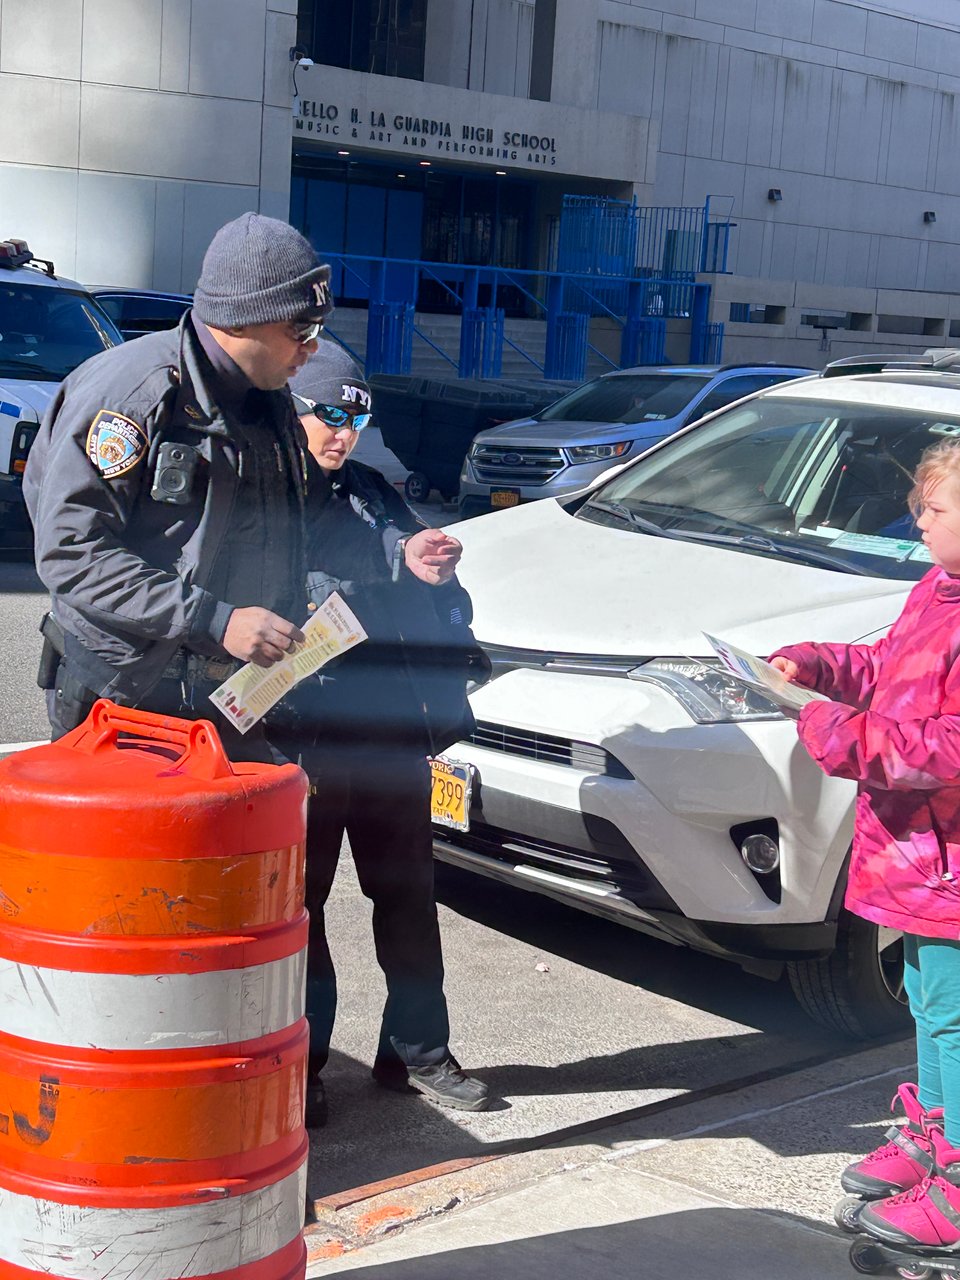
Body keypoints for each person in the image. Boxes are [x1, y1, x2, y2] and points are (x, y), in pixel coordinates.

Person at [24, 212, 331, 761]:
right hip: (126, 694)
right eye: (300, 331)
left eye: (318, 331)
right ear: (242, 319)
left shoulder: (270, 401)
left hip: (232, 694)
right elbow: (71, 552)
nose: (312, 349)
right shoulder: (132, 395)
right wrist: (217, 619)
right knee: (126, 850)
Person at [280, 340, 490, 1125]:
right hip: (300, 736)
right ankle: (303, 1064)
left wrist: (434, 564)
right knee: (301, 911)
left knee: (407, 895)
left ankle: (418, 1050)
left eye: (356, 417)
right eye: (327, 416)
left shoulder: (372, 490)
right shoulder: (264, 490)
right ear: (291, 412)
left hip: (387, 732)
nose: (343, 433)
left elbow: (429, 583)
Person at [769, 437, 960, 1255]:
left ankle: (956, 1183)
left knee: (954, 1018)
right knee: (928, 1004)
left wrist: (823, 723)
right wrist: (815, 667)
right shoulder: (937, 589)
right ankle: (934, 1140)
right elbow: (886, 663)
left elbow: (942, 746)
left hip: (947, 867)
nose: (916, 520)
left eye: (935, 508)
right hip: (914, 860)